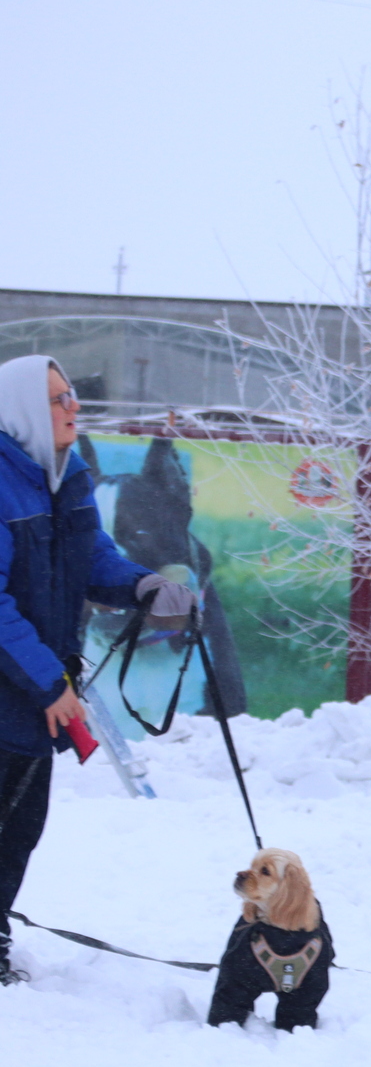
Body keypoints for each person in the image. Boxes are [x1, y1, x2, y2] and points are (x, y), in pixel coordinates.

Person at [0, 356, 200, 983]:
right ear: (25, 408)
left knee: (18, 829)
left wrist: (144, 587)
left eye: (72, 397)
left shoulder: (67, 474)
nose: (73, 407)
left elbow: (93, 559)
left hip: (35, 689)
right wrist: (47, 685)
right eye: (59, 399)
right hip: (18, 686)